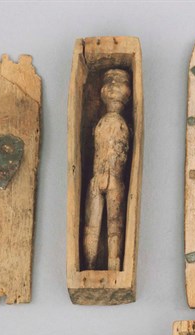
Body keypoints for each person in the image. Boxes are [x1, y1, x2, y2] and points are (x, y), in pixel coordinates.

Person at [83, 68, 131, 271]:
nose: (113, 87)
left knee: (113, 228)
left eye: (119, 83)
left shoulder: (115, 123)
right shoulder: (106, 123)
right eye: (109, 82)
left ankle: (111, 268)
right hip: (101, 179)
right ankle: (89, 266)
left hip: (111, 179)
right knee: (95, 228)